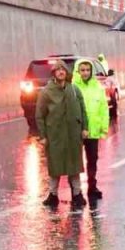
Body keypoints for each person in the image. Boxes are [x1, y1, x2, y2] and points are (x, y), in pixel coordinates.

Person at [36, 59, 87, 207]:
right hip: (55, 135)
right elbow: (40, 115)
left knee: (74, 166)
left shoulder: (74, 90)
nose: (61, 72)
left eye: (63, 69)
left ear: (67, 72)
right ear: (54, 73)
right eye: (58, 70)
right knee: (55, 167)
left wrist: (84, 127)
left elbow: (83, 110)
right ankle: (53, 195)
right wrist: (43, 136)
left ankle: (77, 194)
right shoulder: (46, 92)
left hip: (73, 134)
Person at [73, 58, 111, 200]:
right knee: (75, 162)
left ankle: (92, 186)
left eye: (88, 70)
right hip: (77, 131)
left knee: (92, 159)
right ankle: (76, 191)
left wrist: (103, 127)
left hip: (93, 130)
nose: (85, 73)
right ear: (78, 71)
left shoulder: (97, 87)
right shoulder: (73, 88)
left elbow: (103, 108)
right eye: (82, 70)